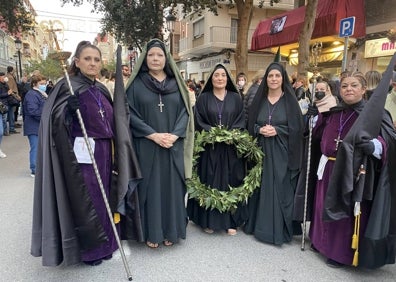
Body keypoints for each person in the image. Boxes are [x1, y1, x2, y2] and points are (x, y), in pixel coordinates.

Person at [31, 41, 143, 266]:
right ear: (77, 61)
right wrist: (68, 112)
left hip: (105, 150)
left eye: (96, 59)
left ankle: (107, 244)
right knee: (88, 199)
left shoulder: (100, 88)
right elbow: (52, 121)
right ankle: (91, 250)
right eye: (88, 59)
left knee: (106, 197)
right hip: (81, 155)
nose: (93, 63)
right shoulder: (67, 86)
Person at [307, 69, 396, 268]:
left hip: (352, 171)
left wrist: (375, 146)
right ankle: (320, 242)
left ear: (363, 89)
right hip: (328, 167)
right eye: (345, 86)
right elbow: (318, 135)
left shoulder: (375, 114)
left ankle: (340, 253)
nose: (348, 89)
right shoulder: (335, 112)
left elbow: (389, 139)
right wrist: (314, 119)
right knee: (323, 206)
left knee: (344, 210)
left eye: (354, 85)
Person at [125, 38, 194, 248]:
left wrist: (174, 135)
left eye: (160, 55)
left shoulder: (177, 84)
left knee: (172, 190)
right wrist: (153, 135)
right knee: (150, 189)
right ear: (145, 58)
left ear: (167, 59)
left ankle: (171, 232)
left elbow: (186, 112)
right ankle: (151, 232)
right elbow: (129, 114)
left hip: (173, 146)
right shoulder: (136, 85)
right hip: (147, 146)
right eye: (152, 55)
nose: (155, 58)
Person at [244, 62, 304, 245]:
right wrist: (258, 129)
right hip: (261, 151)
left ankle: (277, 231)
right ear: (266, 79)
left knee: (279, 189)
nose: (274, 79)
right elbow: (249, 124)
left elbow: (298, 128)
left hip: (281, 153)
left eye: (277, 76)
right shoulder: (259, 100)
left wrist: (278, 130)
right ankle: (257, 227)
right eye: (271, 76)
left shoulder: (290, 102)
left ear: (283, 78)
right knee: (260, 187)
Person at [187, 63, 246, 236]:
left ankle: (231, 221)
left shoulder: (236, 98)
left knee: (231, 182)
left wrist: (231, 135)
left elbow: (242, 118)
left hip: (230, 148)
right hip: (210, 148)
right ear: (211, 79)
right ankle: (209, 221)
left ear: (227, 79)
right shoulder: (204, 98)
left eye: (223, 75)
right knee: (209, 181)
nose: (220, 78)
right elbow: (198, 119)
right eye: (216, 75)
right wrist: (212, 133)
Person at [23, 74, 47, 177]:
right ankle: (35, 169)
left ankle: (38, 168)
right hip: (34, 126)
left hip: (37, 126)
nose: (44, 85)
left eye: (44, 83)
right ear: (34, 84)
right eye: (41, 84)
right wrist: (45, 113)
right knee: (35, 148)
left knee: (38, 148)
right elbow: (33, 111)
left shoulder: (40, 94)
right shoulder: (32, 94)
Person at [0, 71, 12, 157]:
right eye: (2, 76)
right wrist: (7, 93)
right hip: (3, 104)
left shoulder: (4, 84)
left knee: (0, 132)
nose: (4, 77)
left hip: (2, 107)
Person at [6, 66, 20, 134]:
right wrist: (16, 96)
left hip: (8, 98)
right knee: (11, 113)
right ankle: (11, 128)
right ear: (12, 70)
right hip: (11, 98)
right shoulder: (10, 78)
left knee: (8, 113)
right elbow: (11, 89)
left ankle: (8, 128)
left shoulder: (7, 76)